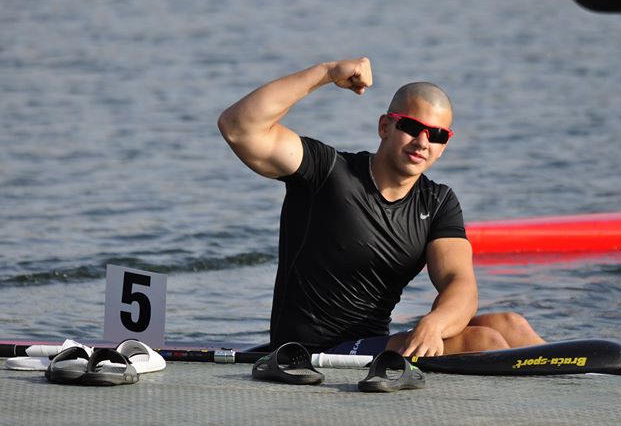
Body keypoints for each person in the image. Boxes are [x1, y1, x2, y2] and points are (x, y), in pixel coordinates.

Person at [218, 57, 545, 357]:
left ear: (444, 145)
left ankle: (567, 383)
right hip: (310, 352)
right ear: (385, 126)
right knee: (483, 341)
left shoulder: (438, 202)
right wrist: (326, 73)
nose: (423, 142)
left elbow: (459, 282)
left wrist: (434, 324)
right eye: (412, 127)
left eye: (437, 135)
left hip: (372, 346)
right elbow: (238, 126)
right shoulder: (326, 172)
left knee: (510, 325)